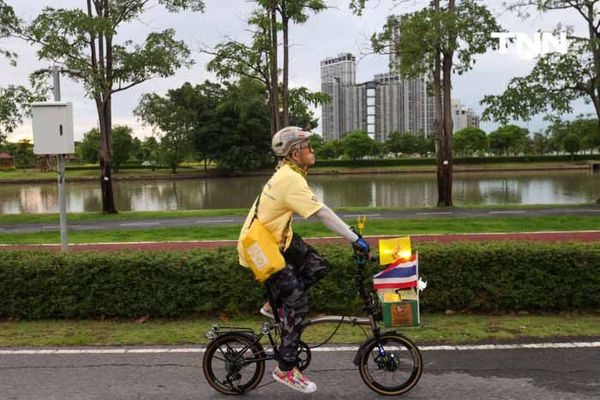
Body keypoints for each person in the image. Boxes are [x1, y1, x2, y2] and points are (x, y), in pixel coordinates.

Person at [237, 126, 370, 394]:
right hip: (261, 248)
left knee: (317, 266)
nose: (313, 150)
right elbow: (322, 213)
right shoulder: (291, 179)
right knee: (297, 302)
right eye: (309, 146)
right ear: (295, 153)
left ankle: (272, 304)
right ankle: (285, 368)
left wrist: (352, 236)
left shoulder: (291, 173)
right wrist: (354, 238)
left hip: (278, 239)